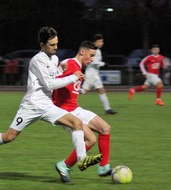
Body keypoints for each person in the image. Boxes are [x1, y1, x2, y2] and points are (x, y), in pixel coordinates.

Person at [0, 26, 102, 173]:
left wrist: (59, 70)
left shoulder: (55, 58)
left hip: (47, 105)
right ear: (42, 45)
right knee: (9, 136)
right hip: (31, 105)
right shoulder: (36, 60)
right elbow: (49, 84)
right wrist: (73, 77)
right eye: (52, 45)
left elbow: (52, 76)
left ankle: (82, 160)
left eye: (56, 44)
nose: (55, 48)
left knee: (77, 123)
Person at [53, 41, 112, 183]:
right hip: (63, 112)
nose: (92, 59)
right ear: (82, 52)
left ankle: (103, 166)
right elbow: (54, 78)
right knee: (90, 139)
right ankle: (65, 165)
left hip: (75, 108)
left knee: (105, 128)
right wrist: (61, 70)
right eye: (91, 55)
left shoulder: (77, 65)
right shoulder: (71, 63)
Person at [80, 34, 117, 115]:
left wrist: (101, 64)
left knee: (101, 91)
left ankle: (108, 109)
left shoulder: (97, 50)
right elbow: (90, 62)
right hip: (90, 74)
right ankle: (69, 93)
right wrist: (103, 63)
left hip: (95, 75)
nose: (101, 43)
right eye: (100, 41)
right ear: (95, 42)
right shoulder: (93, 50)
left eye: (102, 41)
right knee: (83, 91)